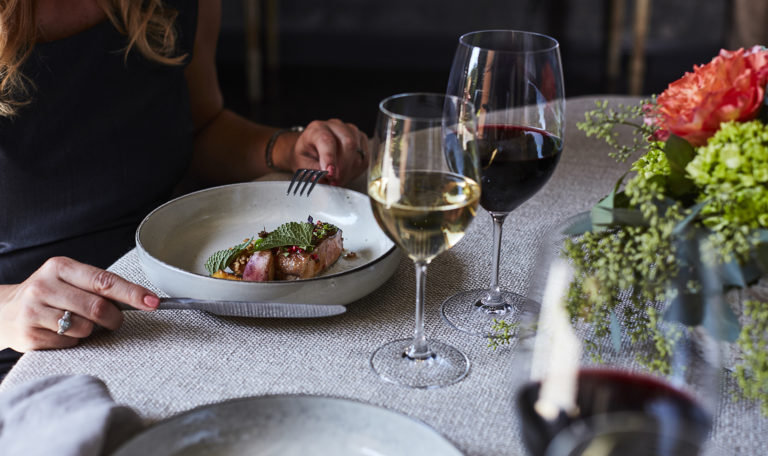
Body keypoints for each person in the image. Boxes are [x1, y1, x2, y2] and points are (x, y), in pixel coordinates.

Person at [0, 0, 369, 377]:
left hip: (178, 300)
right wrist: (9, 306)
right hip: (31, 346)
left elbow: (202, 127)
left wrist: (286, 148)